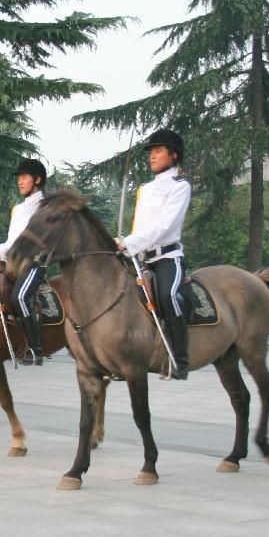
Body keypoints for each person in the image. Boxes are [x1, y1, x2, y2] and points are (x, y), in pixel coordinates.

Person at [114, 129, 193, 380]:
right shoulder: (145, 188)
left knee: (167, 295)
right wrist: (127, 245)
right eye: (151, 151)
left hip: (168, 258)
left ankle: (180, 360)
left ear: (174, 155)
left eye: (158, 151)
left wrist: (130, 242)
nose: (152, 156)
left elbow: (164, 227)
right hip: (143, 257)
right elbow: (142, 226)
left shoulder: (180, 186)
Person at [0, 158, 47, 366]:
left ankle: (35, 349)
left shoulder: (45, 207)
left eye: (24, 177)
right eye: (19, 177)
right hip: (12, 263)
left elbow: (25, 241)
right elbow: (11, 242)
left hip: (33, 263)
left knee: (20, 296)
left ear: (37, 179)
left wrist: (1, 250)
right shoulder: (17, 209)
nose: (20, 181)